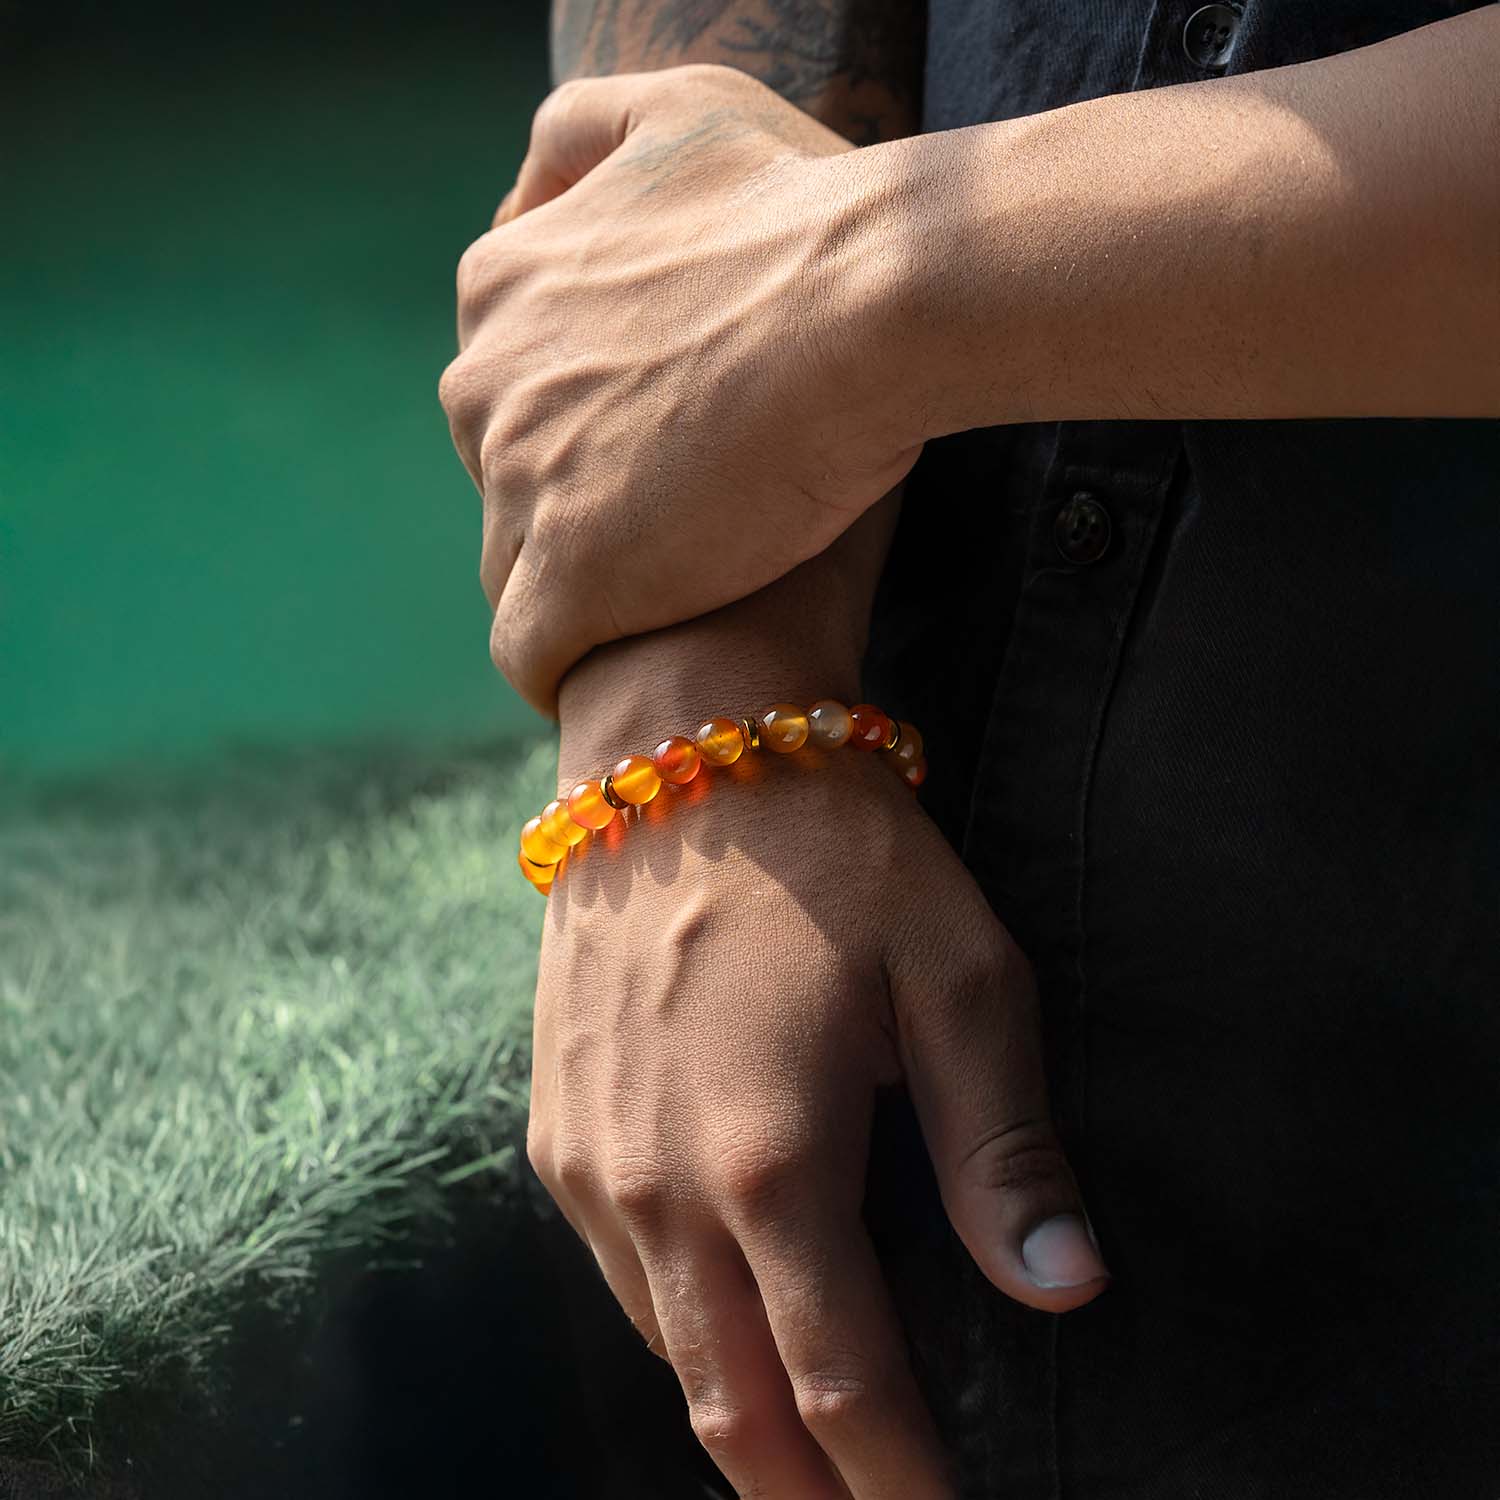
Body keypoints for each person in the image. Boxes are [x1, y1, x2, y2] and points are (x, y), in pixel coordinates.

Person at [441, 2, 1500, 1495]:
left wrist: (858, 290)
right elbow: (696, 145)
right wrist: (700, 663)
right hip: (794, 1013)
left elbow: (777, 289)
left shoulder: (849, 295)